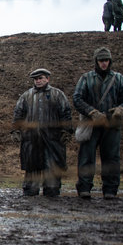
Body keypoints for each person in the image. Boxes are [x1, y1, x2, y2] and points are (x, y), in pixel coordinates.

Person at [72, 47, 123, 199]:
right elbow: (77, 99)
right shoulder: (86, 78)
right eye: (101, 61)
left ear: (110, 61)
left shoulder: (118, 78)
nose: (104, 63)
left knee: (111, 158)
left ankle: (110, 190)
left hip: (112, 124)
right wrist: (92, 112)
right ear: (96, 61)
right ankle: (85, 188)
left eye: (106, 60)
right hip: (91, 123)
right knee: (86, 157)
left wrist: (121, 109)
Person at [11, 69, 72, 197]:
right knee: (31, 176)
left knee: (52, 178)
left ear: (47, 79)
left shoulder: (57, 95)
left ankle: (51, 193)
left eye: (41, 78)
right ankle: (30, 192)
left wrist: (66, 131)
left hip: (53, 140)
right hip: (32, 140)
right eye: (36, 79)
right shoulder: (26, 96)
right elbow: (18, 114)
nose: (38, 81)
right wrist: (16, 130)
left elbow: (65, 114)